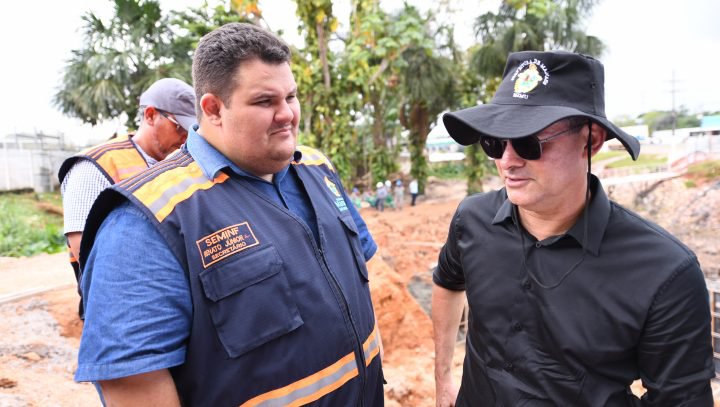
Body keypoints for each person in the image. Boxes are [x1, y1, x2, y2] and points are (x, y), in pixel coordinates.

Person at [75, 23, 384, 406]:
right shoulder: (147, 223)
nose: (287, 114)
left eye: (291, 96)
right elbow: (133, 385)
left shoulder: (317, 170)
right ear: (213, 109)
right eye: (265, 102)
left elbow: (361, 285)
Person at [432, 50, 714, 406]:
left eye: (527, 142)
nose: (507, 161)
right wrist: (443, 379)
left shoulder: (665, 273)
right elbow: (447, 281)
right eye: (493, 142)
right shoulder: (471, 220)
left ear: (590, 139)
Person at [58, 77, 195, 312]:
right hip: (122, 302)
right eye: (179, 126)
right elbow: (86, 251)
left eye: (192, 128)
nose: (186, 136)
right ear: (151, 115)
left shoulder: (183, 165)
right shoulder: (95, 167)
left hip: (174, 299)